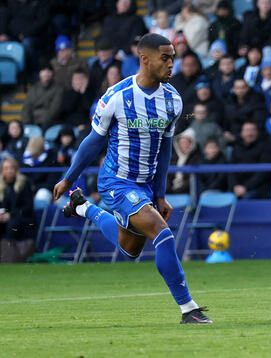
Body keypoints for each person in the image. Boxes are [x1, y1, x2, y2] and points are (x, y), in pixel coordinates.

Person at [53, 34, 212, 324]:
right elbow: (92, 142)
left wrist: (160, 194)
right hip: (115, 181)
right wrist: (68, 178)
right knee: (161, 231)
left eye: (173, 57)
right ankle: (188, 308)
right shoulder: (117, 96)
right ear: (145, 59)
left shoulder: (173, 100)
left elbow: (165, 150)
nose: (171, 63)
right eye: (165, 57)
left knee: (130, 249)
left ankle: (83, 208)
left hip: (145, 186)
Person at [0, 157, 36, 263]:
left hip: (23, 218)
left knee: (13, 224)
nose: (9, 171)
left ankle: (11, 256)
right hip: (5, 219)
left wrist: (10, 215)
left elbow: (28, 207)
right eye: (6, 168)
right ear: (2, 170)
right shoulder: (1, 186)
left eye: (11, 168)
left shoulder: (24, 183)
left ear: (16, 169)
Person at [228, 121, 271, 199]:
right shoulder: (236, 148)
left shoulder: (266, 147)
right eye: (246, 130)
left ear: (257, 132)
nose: (249, 133)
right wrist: (234, 186)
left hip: (258, 188)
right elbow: (230, 170)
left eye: (252, 130)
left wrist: (246, 187)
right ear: (242, 133)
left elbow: (263, 173)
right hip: (237, 188)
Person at [21, 65, 63, 129]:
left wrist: (41, 123)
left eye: (48, 71)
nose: (46, 73)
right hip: (33, 122)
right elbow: (26, 107)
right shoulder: (33, 88)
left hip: (49, 123)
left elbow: (55, 109)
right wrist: (27, 123)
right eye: (43, 70)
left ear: (52, 73)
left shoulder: (58, 88)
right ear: (39, 73)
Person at [168, 128, 201, 194]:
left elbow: (192, 180)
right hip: (170, 191)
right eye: (182, 143)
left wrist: (178, 190)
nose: (184, 145)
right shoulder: (172, 158)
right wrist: (168, 189)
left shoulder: (196, 158)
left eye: (187, 143)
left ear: (192, 144)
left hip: (186, 191)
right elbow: (167, 177)